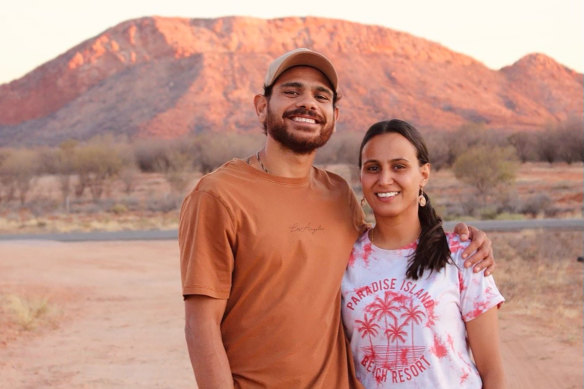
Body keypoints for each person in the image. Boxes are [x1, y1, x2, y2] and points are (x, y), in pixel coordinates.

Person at [178, 48, 495, 389]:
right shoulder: (218, 195)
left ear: (333, 114)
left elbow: (389, 245)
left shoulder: (339, 194)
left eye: (321, 96)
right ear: (261, 106)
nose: (308, 103)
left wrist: (461, 239)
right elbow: (201, 324)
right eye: (291, 91)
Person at [341, 119, 505, 388]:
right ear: (361, 176)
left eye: (399, 166)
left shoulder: (463, 254)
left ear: (424, 174)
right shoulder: (345, 257)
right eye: (373, 168)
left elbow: (493, 373)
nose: (384, 179)